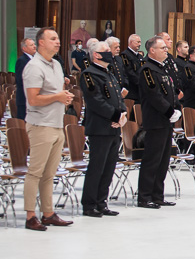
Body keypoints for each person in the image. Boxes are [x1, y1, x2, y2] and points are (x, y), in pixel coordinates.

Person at [22, 27, 75, 231]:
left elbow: (56, 92)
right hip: (40, 125)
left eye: (58, 38)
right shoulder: (34, 67)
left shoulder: (56, 64)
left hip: (56, 123)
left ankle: (48, 213)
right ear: (41, 43)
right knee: (35, 172)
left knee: (49, 174)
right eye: (53, 38)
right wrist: (58, 97)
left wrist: (64, 97)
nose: (58, 41)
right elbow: (33, 99)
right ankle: (30, 216)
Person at [79, 40, 127, 218]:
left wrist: (123, 115)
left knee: (109, 167)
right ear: (96, 55)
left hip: (114, 127)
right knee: (97, 167)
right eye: (106, 50)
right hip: (99, 128)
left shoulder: (109, 73)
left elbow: (118, 97)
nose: (109, 52)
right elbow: (96, 101)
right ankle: (89, 204)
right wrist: (115, 116)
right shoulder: (89, 74)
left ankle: (101, 202)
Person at [137, 36, 181, 209]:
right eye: (162, 48)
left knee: (163, 160)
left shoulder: (163, 68)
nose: (166, 50)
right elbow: (153, 95)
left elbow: (170, 92)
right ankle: (144, 196)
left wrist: (176, 108)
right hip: (155, 120)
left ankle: (157, 195)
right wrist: (169, 111)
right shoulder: (147, 70)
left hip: (166, 121)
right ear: (152, 50)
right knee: (152, 160)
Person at [14, 38, 36, 120]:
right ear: (24, 48)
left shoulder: (35, 59)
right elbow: (20, 79)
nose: (34, 46)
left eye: (34, 44)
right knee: (23, 123)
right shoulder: (22, 60)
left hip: (32, 98)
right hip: (24, 98)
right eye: (31, 45)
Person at [157, 32, 183, 99]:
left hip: (176, 91)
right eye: (168, 39)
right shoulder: (159, 58)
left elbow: (175, 73)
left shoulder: (170, 56)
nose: (171, 41)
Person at [121, 34, 144, 103]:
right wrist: (140, 82)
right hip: (132, 90)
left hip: (140, 90)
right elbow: (128, 71)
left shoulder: (140, 56)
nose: (140, 44)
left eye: (140, 42)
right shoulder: (125, 55)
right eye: (138, 42)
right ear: (131, 42)